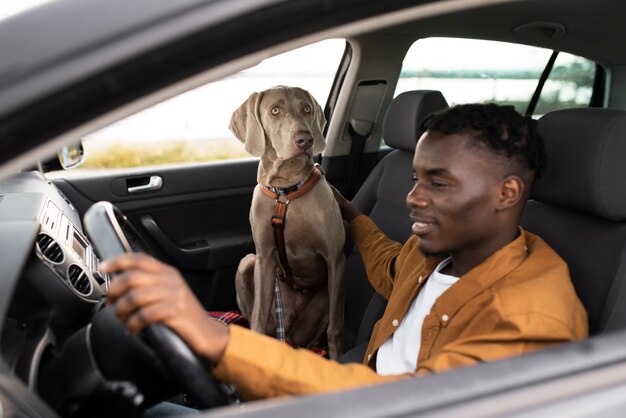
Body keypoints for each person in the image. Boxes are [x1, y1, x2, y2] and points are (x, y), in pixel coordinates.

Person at [102, 103, 588, 401]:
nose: (413, 198)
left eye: (437, 183)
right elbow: (388, 264)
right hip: (355, 382)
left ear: (506, 194)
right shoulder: (442, 253)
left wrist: (223, 343)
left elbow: (414, 402)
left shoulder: (531, 316)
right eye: (416, 179)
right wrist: (347, 214)